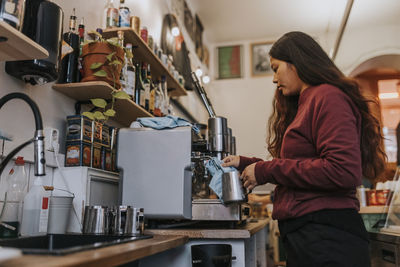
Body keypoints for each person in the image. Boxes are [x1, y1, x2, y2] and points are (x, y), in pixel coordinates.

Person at [222, 31, 386, 267]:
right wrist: (248, 164)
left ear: (296, 62)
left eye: (276, 68)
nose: (274, 78)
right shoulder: (307, 102)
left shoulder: (328, 97)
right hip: (311, 236)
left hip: (328, 237)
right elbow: (300, 165)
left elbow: (342, 171)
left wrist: (266, 170)